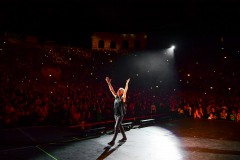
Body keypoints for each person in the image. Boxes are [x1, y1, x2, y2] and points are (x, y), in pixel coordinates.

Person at [105, 77, 130, 146]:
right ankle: (124, 137)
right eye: (119, 89)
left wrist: (126, 84)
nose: (119, 90)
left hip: (120, 114)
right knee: (120, 126)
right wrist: (109, 83)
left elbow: (125, 91)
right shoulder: (116, 96)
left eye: (121, 90)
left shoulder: (123, 98)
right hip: (115, 114)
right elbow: (111, 90)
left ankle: (113, 141)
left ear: (122, 92)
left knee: (116, 127)